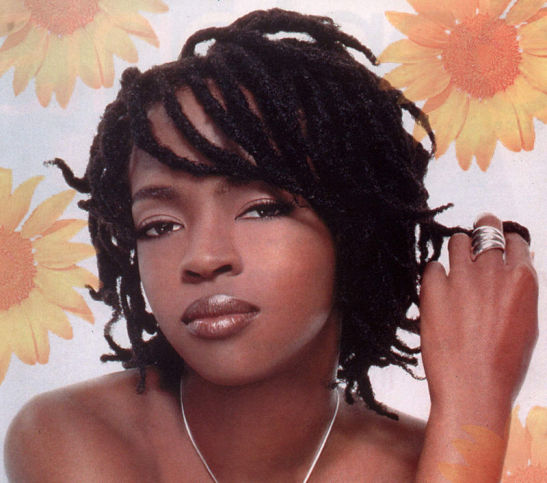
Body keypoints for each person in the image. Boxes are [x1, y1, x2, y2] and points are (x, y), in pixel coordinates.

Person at [4, 9, 538, 482]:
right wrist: (474, 418)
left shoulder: (428, 460)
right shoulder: (73, 435)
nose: (203, 258)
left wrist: (473, 400)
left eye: (262, 208)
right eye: (159, 225)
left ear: (354, 228)